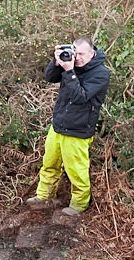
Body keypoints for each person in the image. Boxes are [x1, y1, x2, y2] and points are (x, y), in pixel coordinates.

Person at [26, 37, 110, 217]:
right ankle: (43, 196)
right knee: (49, 164)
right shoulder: (70, 64)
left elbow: (80, 97)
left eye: (81, 54)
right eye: (75, 53)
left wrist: (70, 71)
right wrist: (56, 61)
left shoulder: (100, 73)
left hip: (78, 131)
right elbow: (49, 77)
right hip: (58, 126)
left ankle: (78, 205)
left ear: (91, 52)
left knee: (77, 171)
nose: (77, 58)